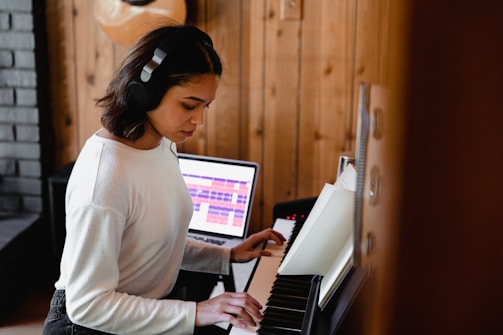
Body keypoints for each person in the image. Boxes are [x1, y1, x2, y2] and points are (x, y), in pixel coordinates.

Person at [42, 25, 286, 335]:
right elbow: (87, 305)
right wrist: (197, 310)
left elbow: (153, 241)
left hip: (138, 311)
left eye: (205, 106)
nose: (199, 120)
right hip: (89, 326)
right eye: (189, 105)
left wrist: (226, 255)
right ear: (144, 92)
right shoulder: (105, 178)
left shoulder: (161, 145)